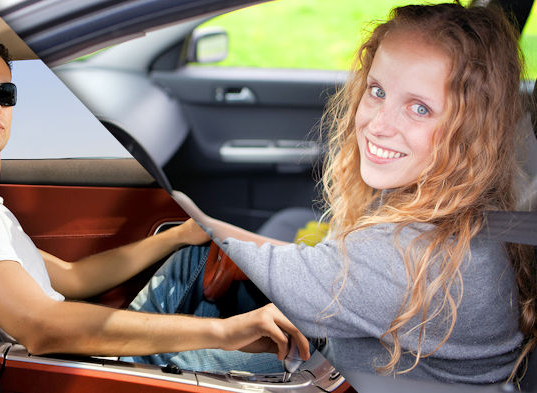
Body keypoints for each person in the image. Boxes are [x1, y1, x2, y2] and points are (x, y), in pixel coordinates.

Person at [173, 3, 536, 385]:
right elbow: (296, 267)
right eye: (377, 91)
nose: (379, 125)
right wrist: (208, 226)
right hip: (349, 363)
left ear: (470, 131)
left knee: (169, 325)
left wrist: (196, 224)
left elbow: (280, 272)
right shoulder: (444, 206)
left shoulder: (407, 257)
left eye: (419, 108)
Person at [0, 31, 310, 373]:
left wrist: (177, 237)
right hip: (100, 362)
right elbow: (39, 324)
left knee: (200, 253)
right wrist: (224, 333)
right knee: (312, 356)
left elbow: (72, 278)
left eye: (3, 92)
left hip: (98, 343)